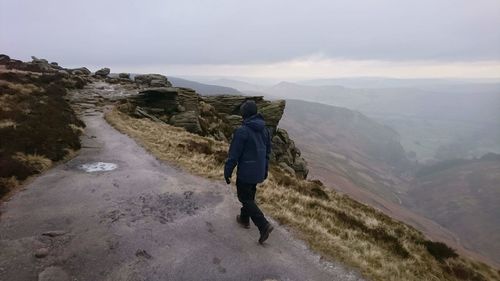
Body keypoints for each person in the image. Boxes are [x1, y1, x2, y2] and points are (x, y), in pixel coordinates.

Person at [224, 100, 274, 244]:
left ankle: (263, 225)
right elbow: (267, 153)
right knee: (249, 197)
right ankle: (244, 219)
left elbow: (234, 155)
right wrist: (264, 170)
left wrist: (227, 172)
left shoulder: (242, 131)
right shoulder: (265, 130)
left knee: (244, 198)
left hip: (246, 172)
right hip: (258, 171)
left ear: (244, 114)